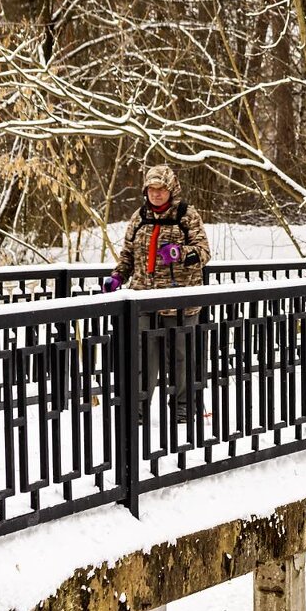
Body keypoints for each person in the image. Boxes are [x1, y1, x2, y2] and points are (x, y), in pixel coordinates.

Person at [102, 164, 211, 423]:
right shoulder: (139, 218)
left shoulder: (187, 215)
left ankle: (183, 409)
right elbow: (128, 255)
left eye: (161, 189)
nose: (156, 194)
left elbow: (204, 252)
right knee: (141, 359)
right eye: (151, 189)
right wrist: (117, 277)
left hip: (180, 300)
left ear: (171, 189)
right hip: (143, 299)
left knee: (182, 359)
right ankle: (137, 410)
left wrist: (180, 253)